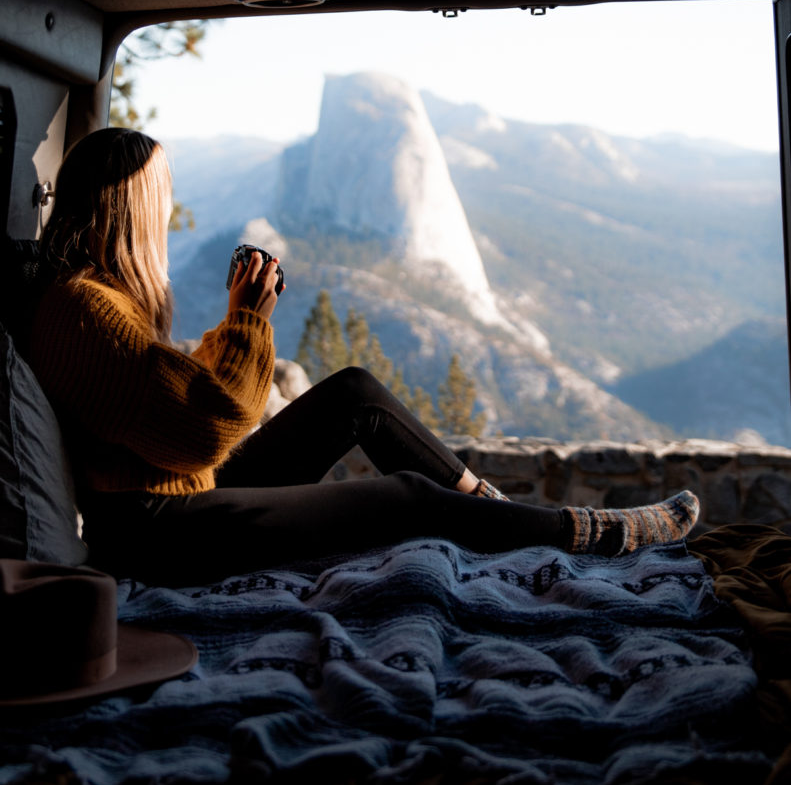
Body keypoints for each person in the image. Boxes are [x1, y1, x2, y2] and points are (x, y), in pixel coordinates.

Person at [29, 129, 699, 586]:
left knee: (353, 393)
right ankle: (579, 533)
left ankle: (492, 511)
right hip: (156, 535)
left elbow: (169, 406)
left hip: (174, 496)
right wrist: (245, 321)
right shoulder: (83, 308)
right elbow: (206, 426)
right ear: (132, 208)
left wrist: (239, 322)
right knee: (405, 497)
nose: (168, 209)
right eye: (161, 196)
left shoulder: (93, 300)